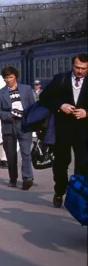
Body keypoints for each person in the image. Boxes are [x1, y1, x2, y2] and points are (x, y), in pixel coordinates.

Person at [39, 53, 88, 208]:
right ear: (72, 65)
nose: (80, 71)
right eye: (77, 67)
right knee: (61, 164)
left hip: (84, 131)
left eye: (84, 69)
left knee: (83, 165)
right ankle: (59, 190)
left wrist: (87, 112)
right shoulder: (60, 79)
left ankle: (78, 196)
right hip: (62, 129)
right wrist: (60, 105)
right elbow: (44, 97)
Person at [0, 66, 36, 190]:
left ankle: (27, 177)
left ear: (15, 77)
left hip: (24, 125)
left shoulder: (26, 89)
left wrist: (36, 124)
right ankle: (13, 179)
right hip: (8, 126)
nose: (8, 80)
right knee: (11, 155)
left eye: (11, 77)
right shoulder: (0, 93)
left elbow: (33, 107)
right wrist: (10, 115)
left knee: (26, 153)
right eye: (6, 78)